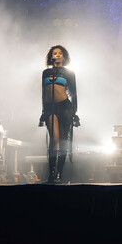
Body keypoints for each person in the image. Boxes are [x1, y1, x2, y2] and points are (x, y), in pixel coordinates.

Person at [39, 44, 79, 182]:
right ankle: (51, 174)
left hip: (65, 107)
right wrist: (43, 111)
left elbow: (73, 93)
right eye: (55, 53)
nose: (57, 55)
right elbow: (43, 94)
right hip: (50, 108)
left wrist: (75, 112)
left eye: (60, 53)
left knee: (63, 141)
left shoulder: (69, 73)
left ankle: (59, 174)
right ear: (51, 57)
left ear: (64, 57)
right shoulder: (45, 73)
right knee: (54, 139)